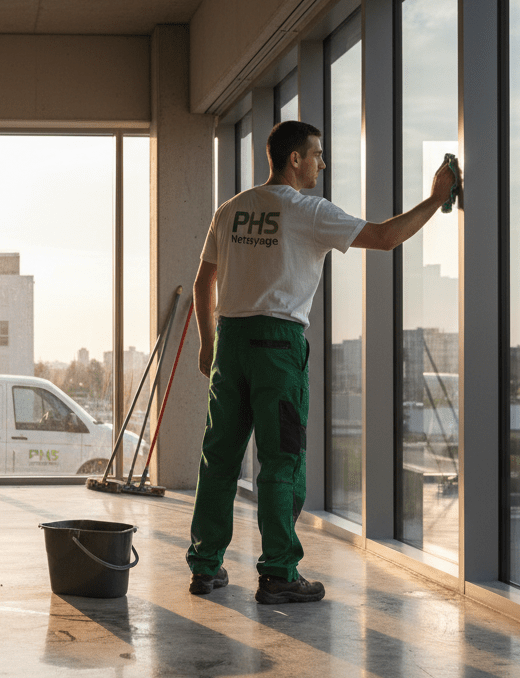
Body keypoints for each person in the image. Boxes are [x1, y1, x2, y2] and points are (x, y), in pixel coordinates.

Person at [186, 120, 462, 604]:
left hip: (230, 343)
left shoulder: (230, 210)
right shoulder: (306, 211)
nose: (322, 162)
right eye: (317, 154)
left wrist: (208, 345)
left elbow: (202, 282)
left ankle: (206, 566)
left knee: (219, 457)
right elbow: (384, 237)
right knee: (281, 461)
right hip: (277, 347)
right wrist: (436, 199)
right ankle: (277, 573)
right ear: (295, 159)